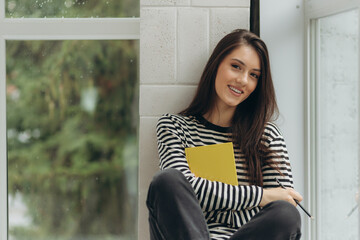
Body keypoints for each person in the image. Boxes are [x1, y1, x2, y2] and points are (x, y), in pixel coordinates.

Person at [146, 29, 303, 240]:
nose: (243, 80)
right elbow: (181, 190)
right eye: (236, 67)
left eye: (254, 75)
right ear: (216, 65)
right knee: (167, 180)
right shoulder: (174, 126)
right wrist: (261, 196)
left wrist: (268, 199)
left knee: (287, 214)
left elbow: (283, 202)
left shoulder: (266, 135)